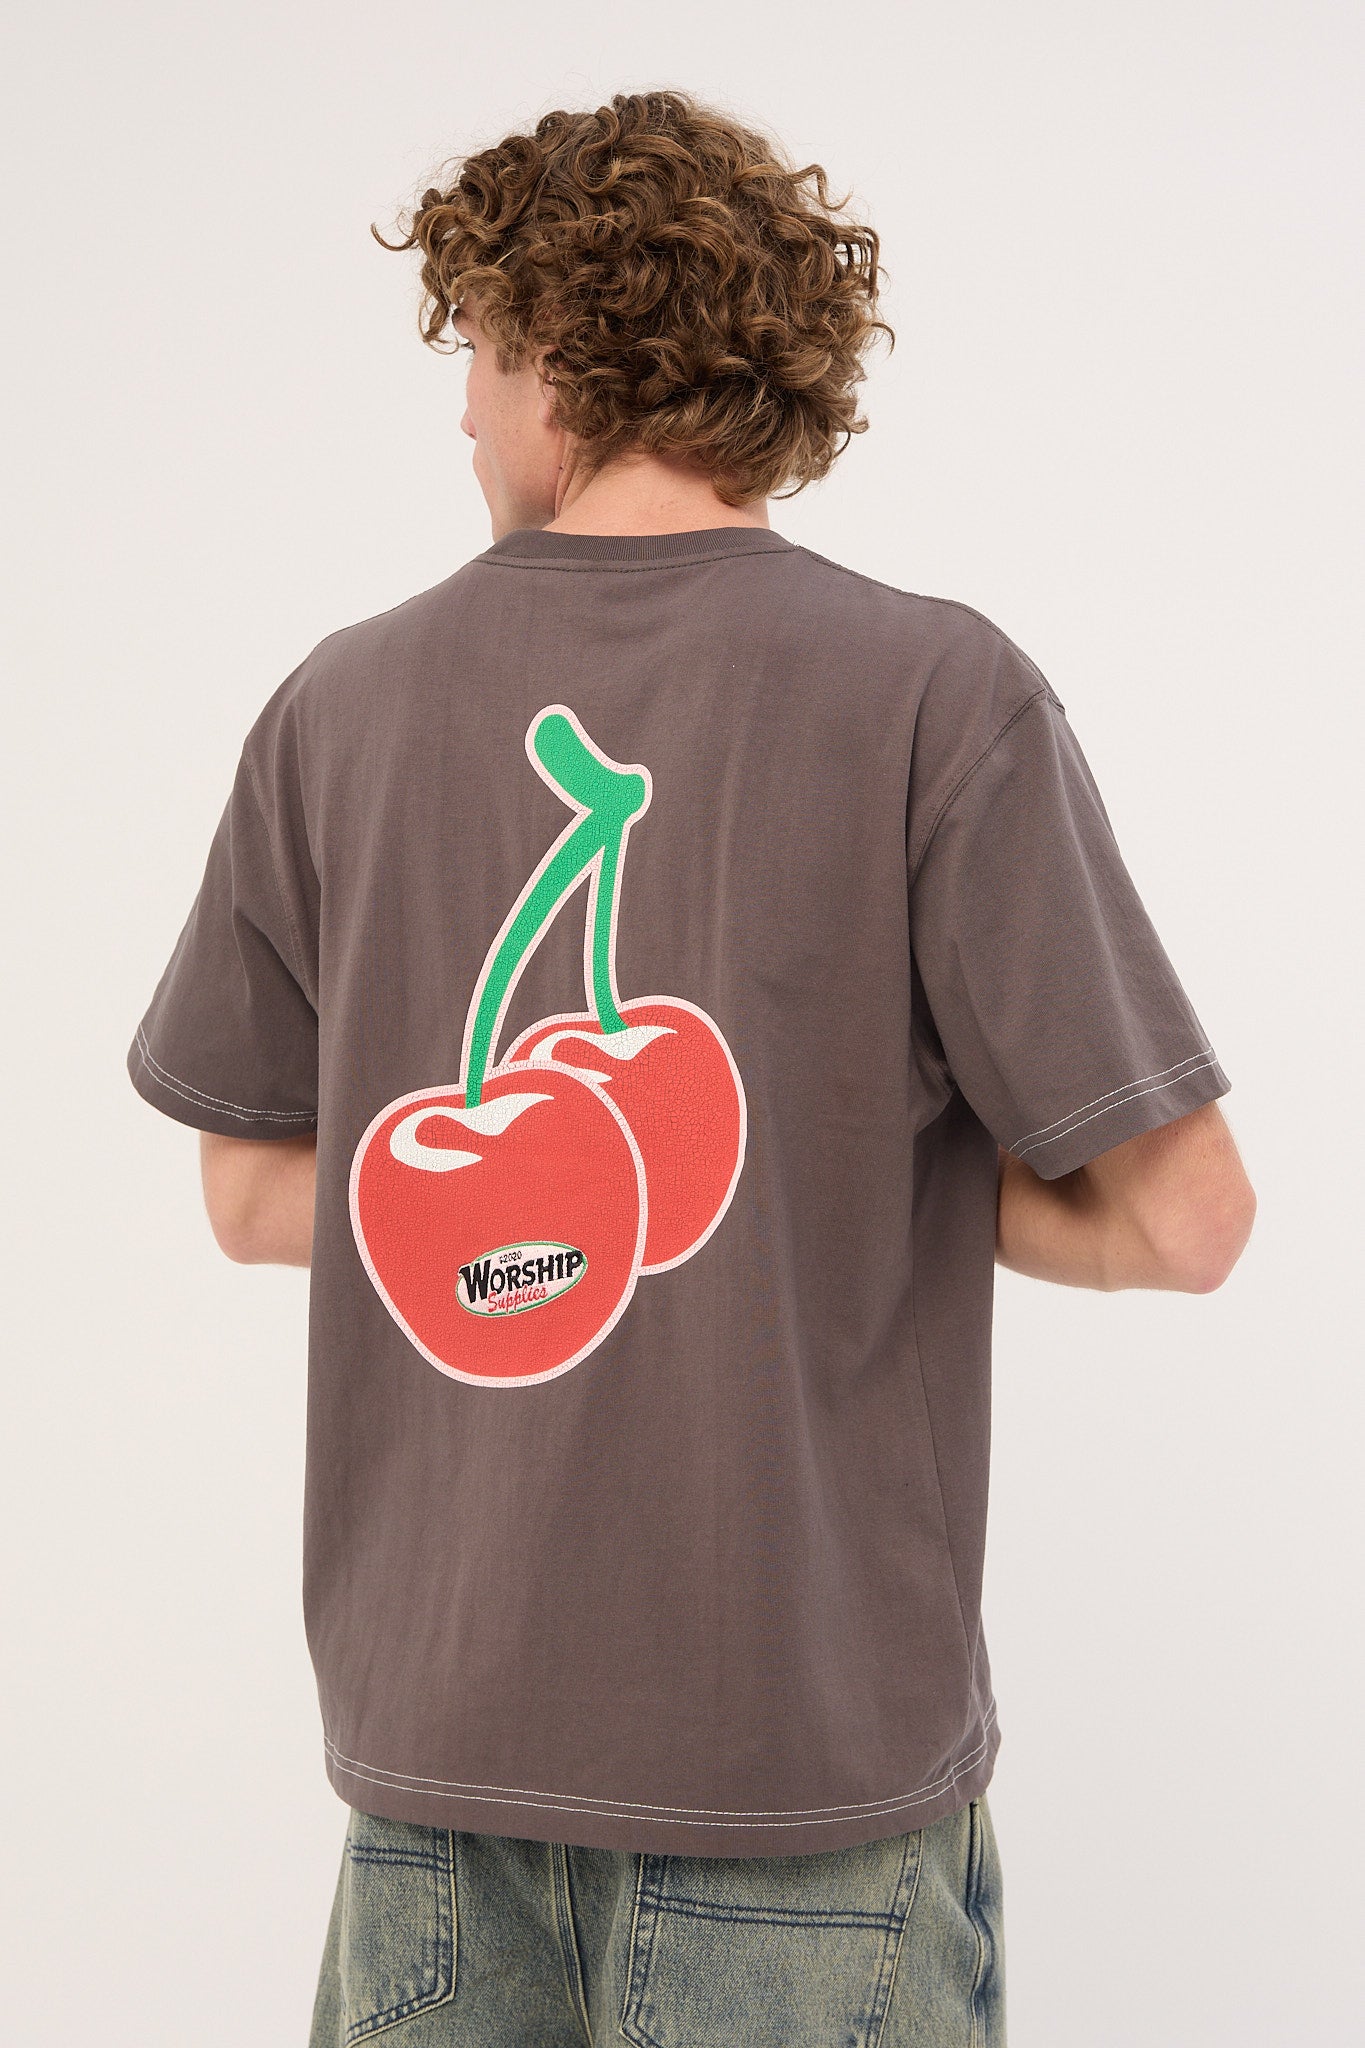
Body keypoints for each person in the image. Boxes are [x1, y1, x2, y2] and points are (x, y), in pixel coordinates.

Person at [126, 89, 1255, 2047]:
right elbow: (1183, 1220)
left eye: (475, 354)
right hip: (797, 1790)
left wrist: (539, 1208)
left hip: (434, 1789)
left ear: (558, 354)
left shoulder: (336, 708)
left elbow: (248, 1193)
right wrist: (850, 1174)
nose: (459, 415)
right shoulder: (934, 693)